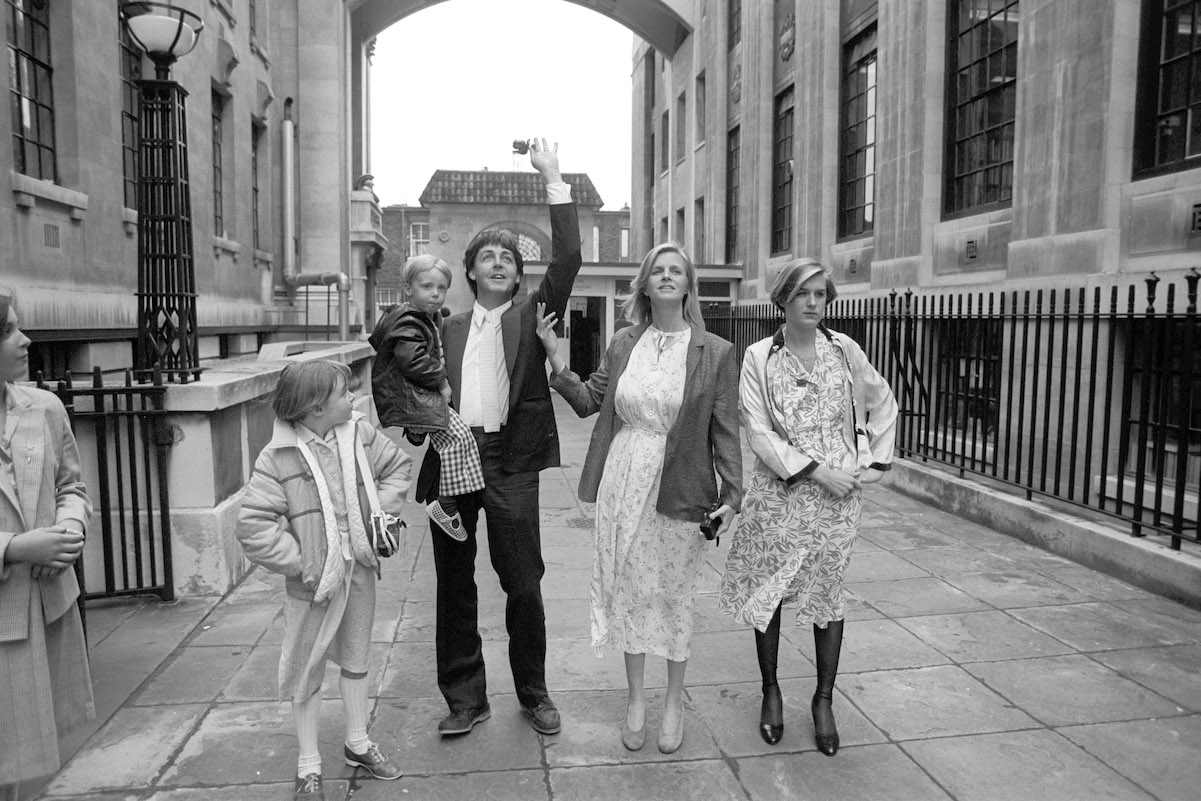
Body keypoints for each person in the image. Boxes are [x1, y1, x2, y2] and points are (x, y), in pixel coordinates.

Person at [535, 242, 742, 755]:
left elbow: (725, 432)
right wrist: (557, 361)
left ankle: (672, 702)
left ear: (689, 285)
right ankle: (635, 701)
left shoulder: (714, 351)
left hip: (681, 486)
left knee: (673, 594)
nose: (667, 277)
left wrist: (733, 495)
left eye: (677, 270)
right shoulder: (625, 342)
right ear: (645, 285)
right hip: (622, 482)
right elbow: (590, 402)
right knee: (629, 590)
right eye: (658, 271)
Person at [415, 138, 581, 738]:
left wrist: (552, 177)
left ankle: (533, 693)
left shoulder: (534, 317)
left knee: (523, 584)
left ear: (518, 274)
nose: (498, 262)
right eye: (487, 255)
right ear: (470, 270)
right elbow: (410, 385)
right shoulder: (443, 327)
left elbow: (567, 260)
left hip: (511, 462)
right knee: (454, 584)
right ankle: (465, 699)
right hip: (451, 462)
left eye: (507, 257)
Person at [719, 258, 897, 755]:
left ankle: (823, 700)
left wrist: (872, 463)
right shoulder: (758, 357)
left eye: (821, 293)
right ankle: (771, 691)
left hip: (838, 501)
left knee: (827, 594)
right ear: (783, 299)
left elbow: (883, 400)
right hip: (781, 493)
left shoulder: (844, 351)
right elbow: (757, 431)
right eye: (803, 293)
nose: (814, 302)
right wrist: (819, 471)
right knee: (769, 591)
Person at [235, 360, 412, 801]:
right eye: (343, 393)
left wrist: (379, 519)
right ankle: (308, 764)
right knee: (306, 667)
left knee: (356, 655)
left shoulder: (359, 435)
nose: (353, 397)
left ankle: (357, 742)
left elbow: (397, 467)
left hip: (360, 568)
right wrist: (304, 561)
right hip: (313, 582)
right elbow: (254, 526)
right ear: (315, 408)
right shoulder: (277, 456)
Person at [0, 288, 94, 801]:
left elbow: (71, 486)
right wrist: (13, 548)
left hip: (44, 610)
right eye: (11, 330)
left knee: (27, 765)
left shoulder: (43, 407)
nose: (26, 339)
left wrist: (71, 529)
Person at [370, 254, 482, 539]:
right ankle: (445, 503)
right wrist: (442, 382)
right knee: (458, 437)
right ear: (408, 288)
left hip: (419, 395)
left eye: (442, 288)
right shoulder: (408, 321)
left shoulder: (427, 318)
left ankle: (453, 498)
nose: (435, 294)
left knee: (460, 438)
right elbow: (414, 361)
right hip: (416, 396)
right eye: (427, 287)